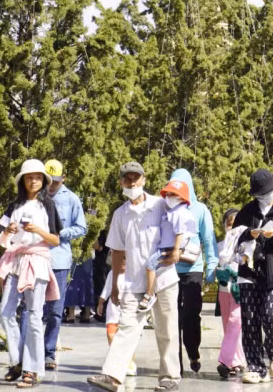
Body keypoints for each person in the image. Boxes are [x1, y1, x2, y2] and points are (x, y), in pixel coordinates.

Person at [87, 161, 182, 392]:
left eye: (136, 178)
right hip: (134, 281)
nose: (132, 183)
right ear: (121, 182)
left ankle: (169, 378)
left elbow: (181, 224)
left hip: (164, 279)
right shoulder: (120, 214)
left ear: (144, 179)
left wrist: (178, 250)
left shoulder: (161, 205)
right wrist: (115, 288)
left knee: (166, 329)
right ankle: (112, 376)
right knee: (126, 327)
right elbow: (118, 250)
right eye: (127, 179)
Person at [0, 159, 63, 388]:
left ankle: (32, 369)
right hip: (15, 260)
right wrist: (10, 229)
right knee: (5, 312)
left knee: (33, 315)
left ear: (43, 181)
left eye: (38, 177)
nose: (34, 181)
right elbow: (0, 232)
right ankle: (18, 361)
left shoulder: (48, 206)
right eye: (30, 177)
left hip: (37, 261)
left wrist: (38, 230)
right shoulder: (14, 205)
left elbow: (55, 239)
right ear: (23, 180)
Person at [232, 169, 273, 384]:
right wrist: (248, 233)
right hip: (249, 273)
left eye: (266, 192)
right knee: (250, 320)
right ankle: (255, 367)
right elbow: (234, 236)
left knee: (270, 316)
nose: (263, 197)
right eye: (259, 194)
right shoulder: (247, 211)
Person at [21, 159, 86, 370]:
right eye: (49, 182)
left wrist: (61, 234)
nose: (51, 186)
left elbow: (81, 227)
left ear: (63, 178)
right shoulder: (34, 198)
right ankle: (26, 353)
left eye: (56, 182)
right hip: (34, 258)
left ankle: (48, 353)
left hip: (58, 259)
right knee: (29, 308)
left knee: (56, 310)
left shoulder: (72, 199)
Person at [168, 169, 218, 374]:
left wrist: (212, 266)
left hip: (193, 269)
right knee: (172, 318)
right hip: (169, 268)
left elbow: (209, 240)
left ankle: (193, 351)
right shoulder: (166, 208)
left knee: (190, 315)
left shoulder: (200, 210)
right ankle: (175, 363)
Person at [140, 179, 196, 312]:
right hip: (167, 246)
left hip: (169, 247)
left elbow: (180, 232)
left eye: (172, 194)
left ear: (182, 197)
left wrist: (176, 250)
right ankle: (150, 292)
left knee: (150, 265)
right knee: (153, 266)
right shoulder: (174, 211)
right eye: (168, 194)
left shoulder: (178, 213)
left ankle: (149, 294)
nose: (168, 197)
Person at [215, 209, 246, 378]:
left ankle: (225, 361)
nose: (231, 224)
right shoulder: (220, 245)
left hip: (238, 288)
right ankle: (238, 361)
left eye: (235, 221)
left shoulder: (246, 244)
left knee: (235, 322)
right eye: (228, 221)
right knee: (229, 326)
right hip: (223, 290)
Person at [96, 258, 137, 376]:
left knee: (127, 337)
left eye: (126, 259)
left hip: (128, 311)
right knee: (111, 334)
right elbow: (106, 290)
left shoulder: (133, 274)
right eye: (121, 259)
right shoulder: (112, 273)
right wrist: (101, 302)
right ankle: (116, 361)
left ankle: (129, 363)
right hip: (113, 311)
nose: (123, 261)